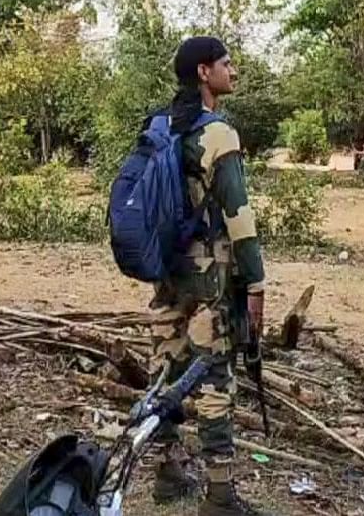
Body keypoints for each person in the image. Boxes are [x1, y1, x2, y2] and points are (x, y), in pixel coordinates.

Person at [148, 36, 268, 516]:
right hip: (209, 273)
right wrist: (256, 282)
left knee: (166, 363)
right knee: (215, 376)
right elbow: (239, 215)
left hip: (165, 266)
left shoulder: (159, 125)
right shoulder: (218, 133)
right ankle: (219, 497)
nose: (233, 70)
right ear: (203, 73)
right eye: (226, 62)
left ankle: (166, 471)